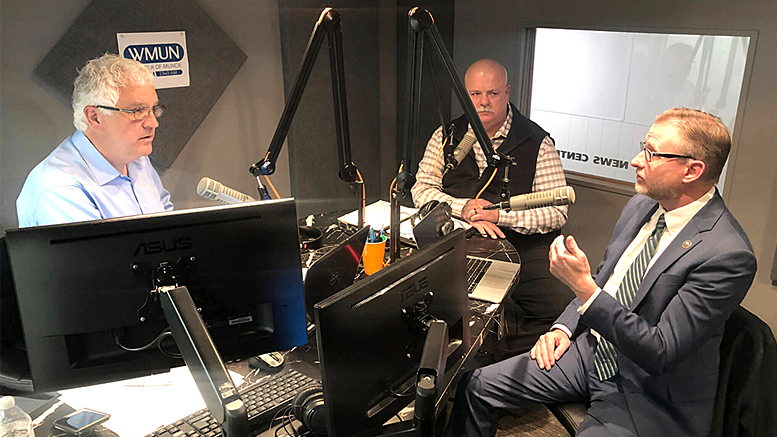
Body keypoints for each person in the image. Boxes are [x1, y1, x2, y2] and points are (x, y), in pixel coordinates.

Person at [443, 108, 757, 437]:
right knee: (476, 384)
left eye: (651, 153)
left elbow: (660, 351)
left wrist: (583, 289)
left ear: (692, 170)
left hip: (647, 390)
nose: (636, 160)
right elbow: (607, 278)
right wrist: (564, 328)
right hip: (592, 351)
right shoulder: (643, 205)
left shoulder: (728, 254)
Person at [412, 58, 573, 358]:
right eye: (475, 94)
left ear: (508, 92)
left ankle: (495, 361)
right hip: (460, 240)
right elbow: (420, 188)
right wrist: (463, 208)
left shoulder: (537, 142)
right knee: (429, 304)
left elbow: (556, 211)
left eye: (493, 94)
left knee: (562, 310)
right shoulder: (447, 136)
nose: (483, 102)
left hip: (523, 247)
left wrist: (500, 215)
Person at [16, 54, 172, 227]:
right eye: (137, 111)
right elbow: (99, 254)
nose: (153, 123)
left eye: (154, 109)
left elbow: (167, 224)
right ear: (94, 117)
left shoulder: (137, 159)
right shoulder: (59, 189)